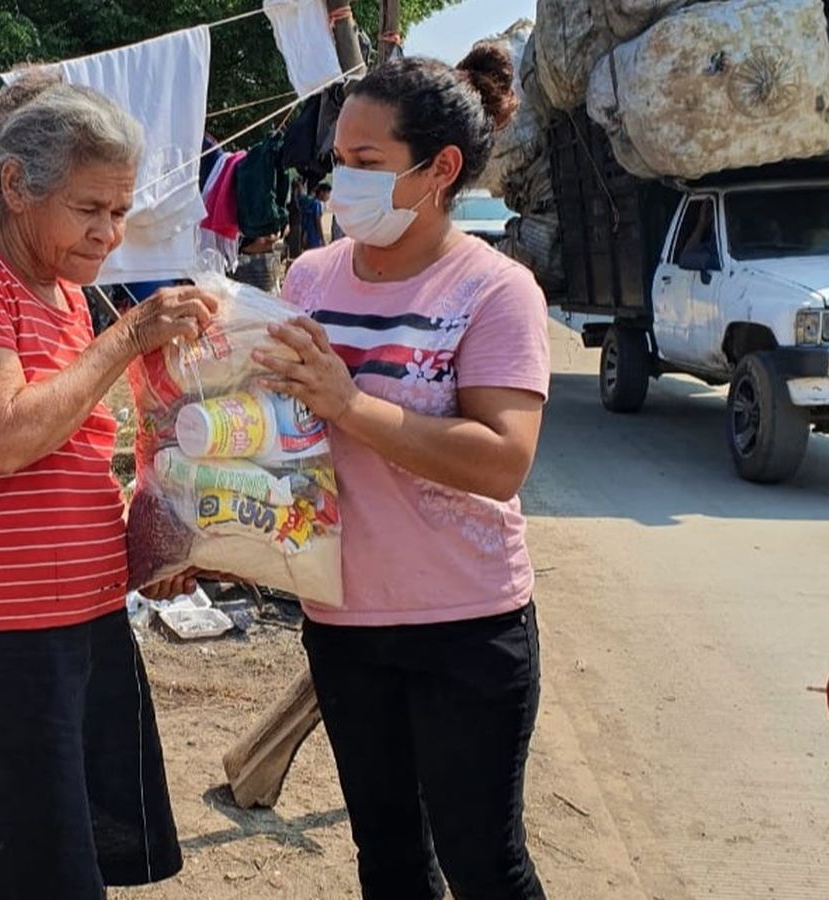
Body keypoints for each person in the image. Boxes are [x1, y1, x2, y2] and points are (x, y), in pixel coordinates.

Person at [0, 84, 218, 899]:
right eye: (89, 209)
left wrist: (154, 546)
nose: (109, 233)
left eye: (121, 211)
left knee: (67, 867)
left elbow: (72, 459)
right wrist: (130, 334)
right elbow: (2, 436)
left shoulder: (64, 293)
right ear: (15, 186)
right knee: (7, 874)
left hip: (82, 627)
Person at [255, 48, 550, 900]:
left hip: (464, 627)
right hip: (343, 620)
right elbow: (283, 431)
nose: (339, 180)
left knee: (483, 864)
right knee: (388, 861)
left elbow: (501, 460)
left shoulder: (495, 291)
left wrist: (350, 404)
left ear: (440, 169)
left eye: (365, 161)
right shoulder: (310, 276)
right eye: (338, 159)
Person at [299, 183, 330, 250]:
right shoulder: (317, 204)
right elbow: (318, 221)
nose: (328, 196)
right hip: (313, 237)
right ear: (322, 192)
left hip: (306, 235)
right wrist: (322, 238)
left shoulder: (310, 201)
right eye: (328, 193)